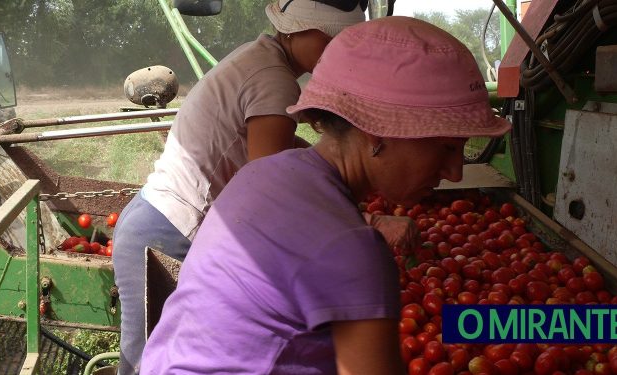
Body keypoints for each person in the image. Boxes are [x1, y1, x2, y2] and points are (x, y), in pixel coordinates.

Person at [139, 16, 511, 374]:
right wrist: (551, 326)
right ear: (377, 131)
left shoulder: (262, 175)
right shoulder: (351, 248)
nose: (456, 172)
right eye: (446, 148)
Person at [112, 1, 365, 373]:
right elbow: (273, 187)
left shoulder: (258, 57)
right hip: (168, 231)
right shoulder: (273, 78)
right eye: (329, 40)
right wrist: (358, 226)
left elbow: (280, 150)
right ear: (297, 30)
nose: (334, 54)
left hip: (154, 217)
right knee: (144, 362)